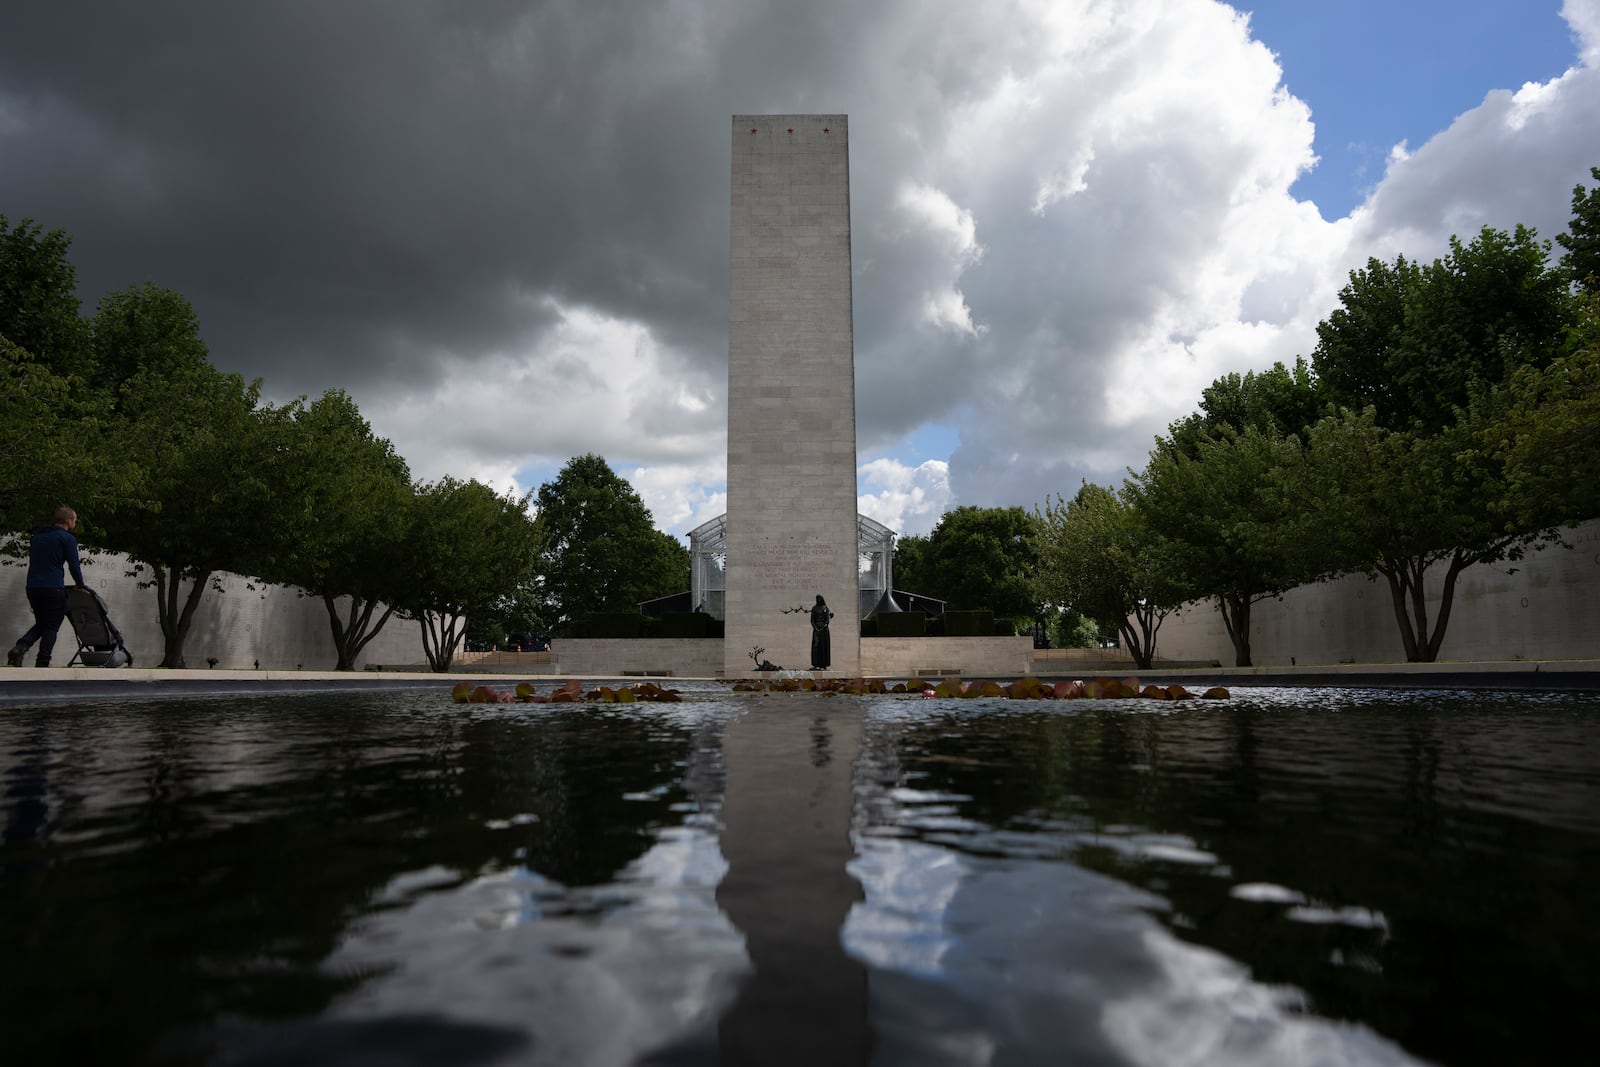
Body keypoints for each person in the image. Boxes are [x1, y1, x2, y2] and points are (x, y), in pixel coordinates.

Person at [7, 506, 86, 668]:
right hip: (52, 587)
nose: (75, 523)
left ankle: (20, 647)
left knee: (43, 622)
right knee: (51, 625)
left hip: (33, 587)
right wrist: (81, 584)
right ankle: (43, 662)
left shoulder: (37, 537)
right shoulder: (67, 539)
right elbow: (74, 565)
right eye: (75, 520)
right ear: (69, 521)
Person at [810, 593, 833, 671]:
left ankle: (823, 665)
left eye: (819, 598)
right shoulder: (814, 608)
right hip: (816, 631)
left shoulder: (825, 608)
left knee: (823, 647)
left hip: (824, 631)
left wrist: (823, 627)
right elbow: (812, 620)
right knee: (816, 647)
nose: (818, 600)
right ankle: (816, 664)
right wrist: (816, 628)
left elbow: (827, 620)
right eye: (817, 599)